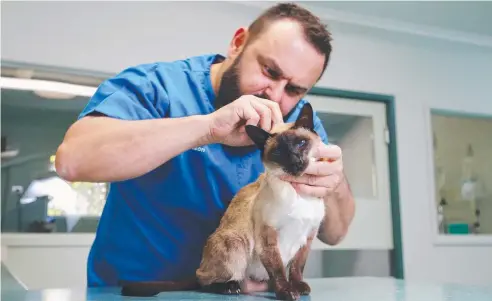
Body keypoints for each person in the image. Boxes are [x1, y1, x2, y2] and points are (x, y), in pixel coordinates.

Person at [55, 2, 355, 291]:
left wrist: (334, 180)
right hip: (134, 291)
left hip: (242, 290)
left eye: (294, 89)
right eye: (270, 72)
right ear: (238, 43)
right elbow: (73, 161)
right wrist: (207, 129)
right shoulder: (157, 86)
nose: (275, 95)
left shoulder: (297, 126)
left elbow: (336, 233)